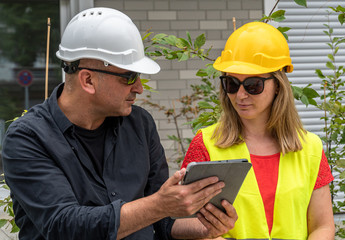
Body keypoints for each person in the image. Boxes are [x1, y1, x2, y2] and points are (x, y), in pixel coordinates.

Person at [2, 7, 237, 240]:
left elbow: (163, 222)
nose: (139, 88)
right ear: (88, 80)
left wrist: (204, 228)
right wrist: (159, 205)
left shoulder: (140, 125)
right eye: (129, 77)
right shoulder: (28, 138)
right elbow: (65, 226)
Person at [181, 22, 335, 240]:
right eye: (231, 84)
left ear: (278, 85)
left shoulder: (310, 148)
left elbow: (323, 227)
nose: (240, 95)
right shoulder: (206, 144)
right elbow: (184, 221)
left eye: (253, 85)